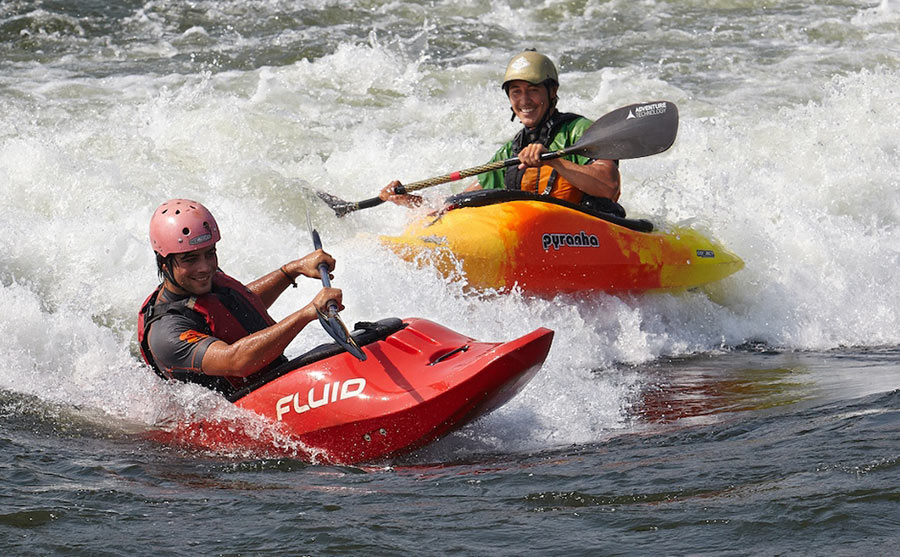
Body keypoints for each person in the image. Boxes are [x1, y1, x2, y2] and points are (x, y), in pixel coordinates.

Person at [379, 49, 625, 217]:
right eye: (515, 91)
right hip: (536, 236)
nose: (524, 100)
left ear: (552, 91)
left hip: (584, 234)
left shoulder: (580, 130)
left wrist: (556, 160)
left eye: (533, 90)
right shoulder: (511, 151)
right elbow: (457, 204)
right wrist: (408, 200)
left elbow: (608, 187)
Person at [137, 199, 341, 396]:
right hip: (237, 414)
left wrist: (292, 270)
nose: (205, 267)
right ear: (165, 264)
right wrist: (306, 314)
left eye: (210, 253)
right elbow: (236, 362)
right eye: (190, 259)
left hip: (270, 384)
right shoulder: (167, 333)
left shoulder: (198, 283)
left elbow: (241, 304)